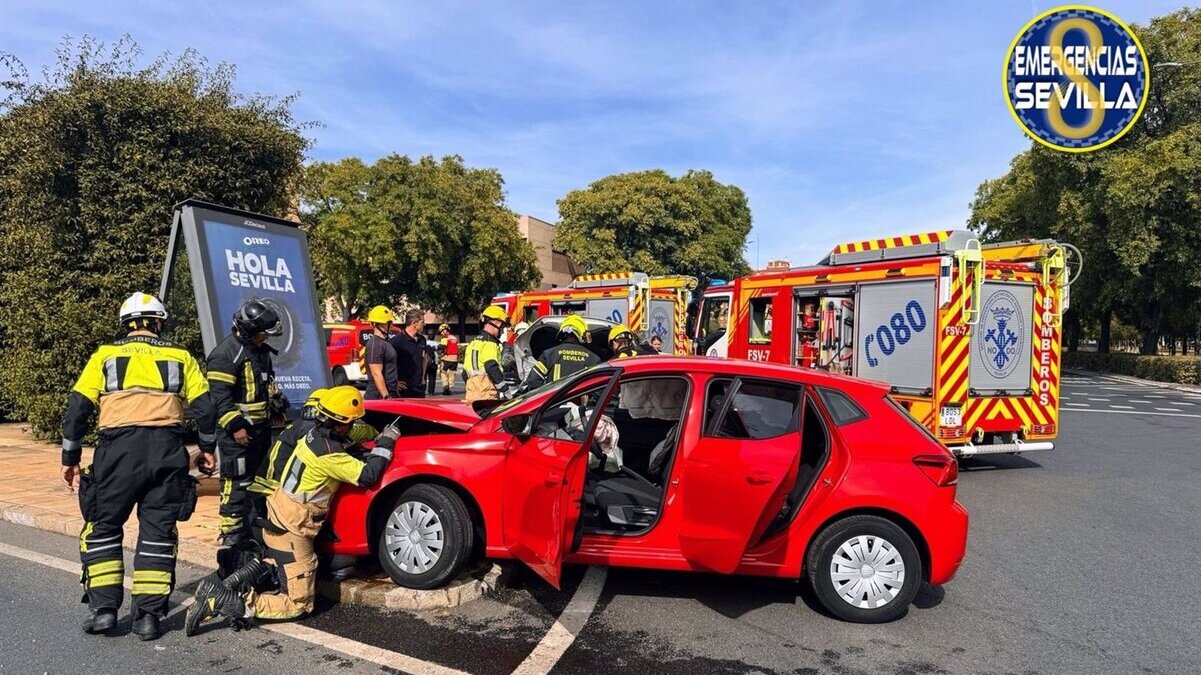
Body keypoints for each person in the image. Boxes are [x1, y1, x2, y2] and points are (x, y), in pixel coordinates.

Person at [62, 293, 216, 640]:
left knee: (102, 527)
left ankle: (104, 611)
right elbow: (206, 409)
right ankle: (147, 617)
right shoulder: (180, 356)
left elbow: (77, 409)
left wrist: (70, 458)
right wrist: (206, 449)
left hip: (117, 452)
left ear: (126, 324)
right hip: (168, 451)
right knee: (158, 535)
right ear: (158, 323)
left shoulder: (105, 355)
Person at [186, 387, 397, 633]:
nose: (353, 426)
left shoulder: (313, 435)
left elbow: (352, 435)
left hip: (277, 516)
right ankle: (231, 602)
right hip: (292, 530)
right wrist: (386, 442)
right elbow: (367, 475)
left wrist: (373, 430)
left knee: (278, 565)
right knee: (299, 603)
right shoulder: (328, 454)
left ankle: (221, 586)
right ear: (341, 423)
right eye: (352, 422)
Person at [206, 298, 284, 578]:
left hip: (261, 433)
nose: (266, 337)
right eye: (263, 332)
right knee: (236, 487)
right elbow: (219, 400)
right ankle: (231, 542)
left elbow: (267, 386)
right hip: (236, 436)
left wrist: (277, 404)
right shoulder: (225, 355)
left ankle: (254, 537)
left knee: (260, 484)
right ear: (250, 330)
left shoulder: (260, 350)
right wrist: (237, 427)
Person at [247, 388, 375, 534]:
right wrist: (378, 435)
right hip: (274, 495)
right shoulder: (311, 431)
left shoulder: (302, 426)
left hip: (265, 489)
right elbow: (350, 437)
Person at [522, 315, 600, 390]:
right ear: (583, 334)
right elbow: (599, 388)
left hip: (554, 402)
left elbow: (533, 381)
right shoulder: (593, 359)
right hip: (581, 403)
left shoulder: (549, 355)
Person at [462, 305, 511, 402]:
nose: (502, 329)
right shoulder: (490, 343)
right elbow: (491, 367)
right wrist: (505, 390)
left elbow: (464, 373)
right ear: (495, 322)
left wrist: (474, 385)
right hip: (486, 394)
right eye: (502, 325)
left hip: (471, 393)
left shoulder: (473, 343)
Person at [363, 305, 400, 400]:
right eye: (387, 323)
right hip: (378, 396)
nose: (391, 325)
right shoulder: (375, 344)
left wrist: (395, 383)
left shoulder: (384, 342)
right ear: (376, 324)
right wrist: (386, 396)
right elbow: (376, 373)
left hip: (390, 392)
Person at [388, 309, 426, 398]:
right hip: (404, 389)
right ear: (414, 323)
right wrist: (394, 382)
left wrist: (423, 378)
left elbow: (424, 358)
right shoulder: (397, 341)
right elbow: (387, 363)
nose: (424, 324)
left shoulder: (422, 340)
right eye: (422, 322)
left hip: (419, 388)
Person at [437, 323, 460, 396]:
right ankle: (450, 387)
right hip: (455, 359)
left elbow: (442, 346)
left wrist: (438, 347)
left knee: (443, 372)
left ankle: (446, 387)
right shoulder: (454, 338)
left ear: (444, 330)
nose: (441, 333)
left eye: (441, 331)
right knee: (452, 373)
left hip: (447, 358)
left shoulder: (445, 338)